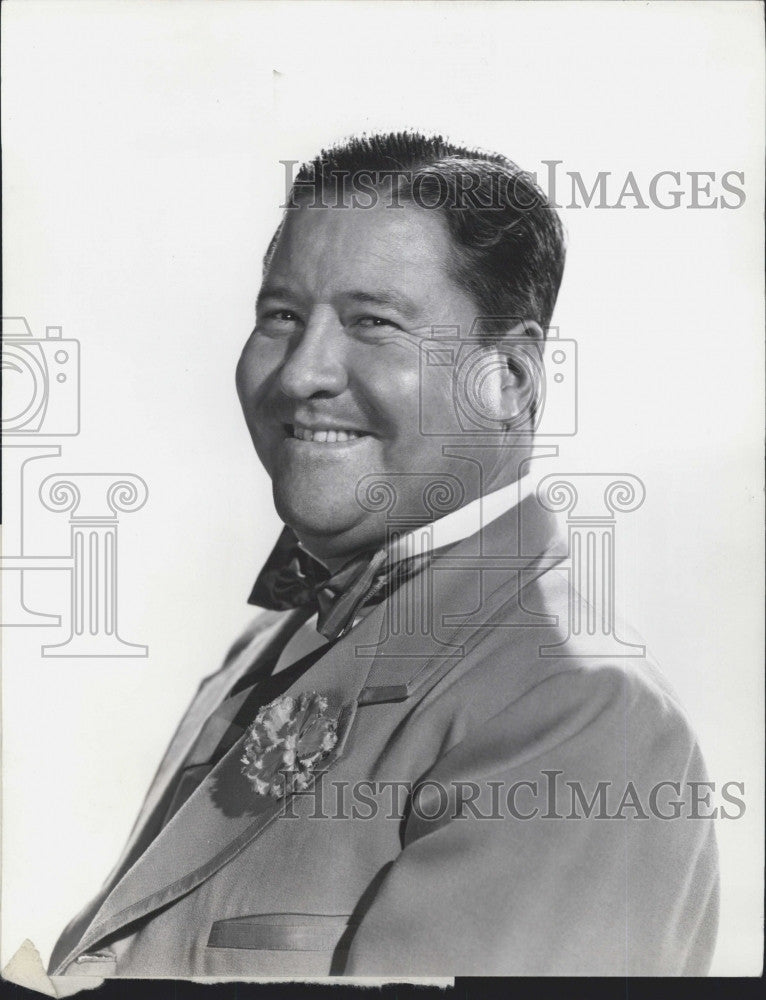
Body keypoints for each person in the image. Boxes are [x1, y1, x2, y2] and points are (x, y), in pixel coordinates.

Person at [49, 132, 718, 979]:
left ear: (509, 378)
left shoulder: (577, 712)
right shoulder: (267, 650)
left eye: (373, 323)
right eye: (281, 317)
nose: (300, 375)